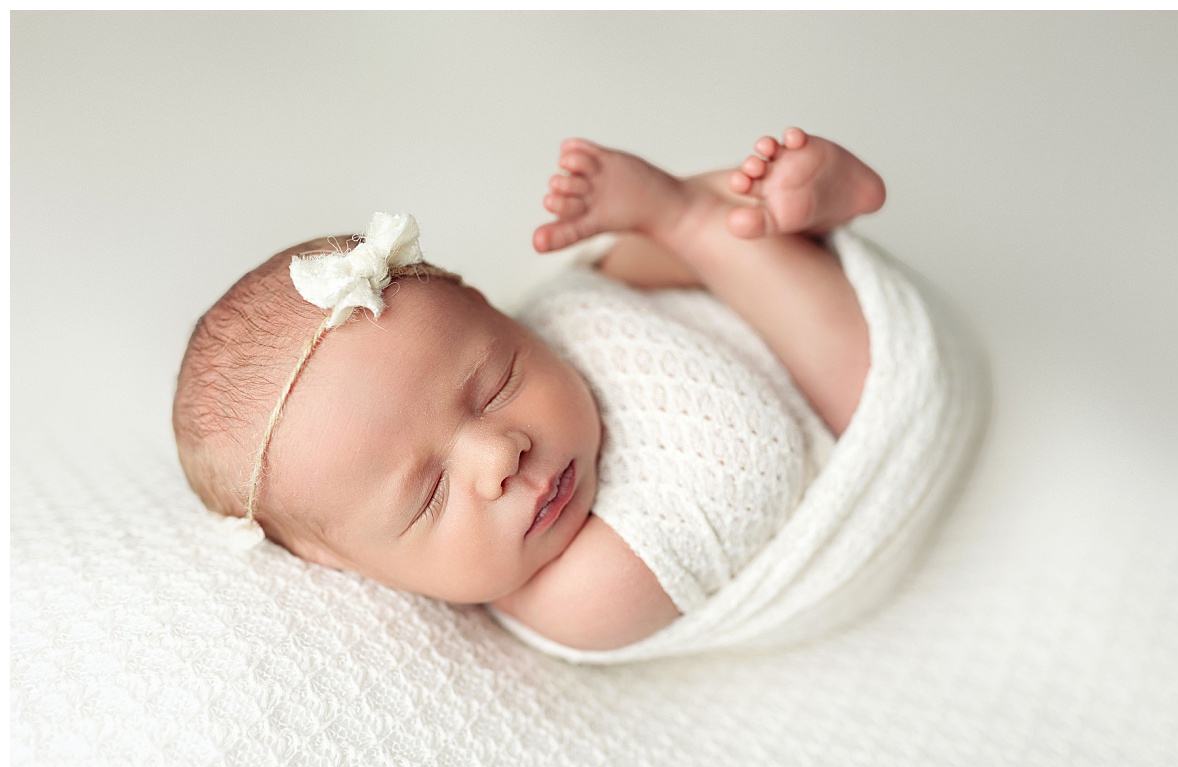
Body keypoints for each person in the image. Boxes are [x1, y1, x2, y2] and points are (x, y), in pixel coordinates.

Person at [173, 128, 886, 652]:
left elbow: (600, 291)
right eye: (431, 494)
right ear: (361, 568)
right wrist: (700, 238)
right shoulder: (577, 598)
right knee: (866, 388)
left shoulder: (553, 323)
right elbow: (758, 465)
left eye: (495, 384)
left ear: (494, 311)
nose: (498, 456)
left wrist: (654, 243)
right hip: (850, 438)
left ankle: (766, 201)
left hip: (744, 308)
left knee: (616, 276)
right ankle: (699, 219)